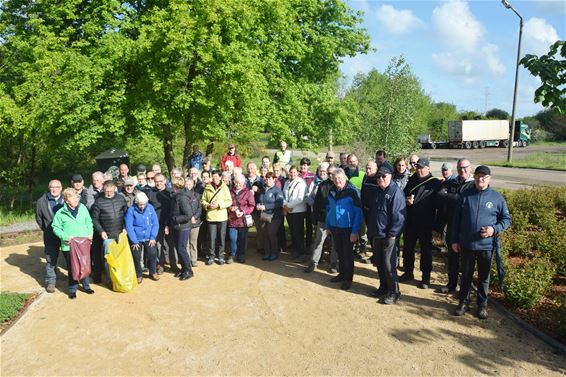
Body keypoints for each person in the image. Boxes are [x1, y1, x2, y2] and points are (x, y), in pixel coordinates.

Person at [452, 165, 511, 319]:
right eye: (478, 176)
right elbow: (455, 220)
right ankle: (463, 303)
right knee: (465, 275)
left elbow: (506, 219)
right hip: (467, 245)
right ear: (475, 177)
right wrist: (454, 240)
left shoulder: (497, 198)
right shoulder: (465, 195)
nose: (480, 179)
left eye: (484, 177)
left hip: (486, 246)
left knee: (484, 277)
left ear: (489, 179)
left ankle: (482, 305)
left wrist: (494, 229)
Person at [366, 163, 406, 304]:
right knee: (380, 263)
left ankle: (394, 291)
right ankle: (383, 287)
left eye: (384, 176)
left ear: (390, 176)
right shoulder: (378, 191)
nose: (381, 179)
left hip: (389, 235)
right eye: (378, 176)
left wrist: (393, 234)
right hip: (376, 234)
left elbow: (399, 217)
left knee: (389, 265)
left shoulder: (396, 192)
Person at [400, 157, 442, 289]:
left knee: (426, 251)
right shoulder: (412, 179)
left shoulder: (435, 183)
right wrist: (407, 200)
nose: (419, 170)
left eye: (422, 167)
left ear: (428, 168)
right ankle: (408, 272)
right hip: (411, 221)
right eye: (417, 167)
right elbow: (403, 195)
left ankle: (425, 278)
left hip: (426, 223)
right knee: (408, 248)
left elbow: (440, 207)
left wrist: (437, 227)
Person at [436, 159, 474, 294]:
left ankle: (465, 290)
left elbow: (468, 202)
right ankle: (451, 284)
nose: (462, 170)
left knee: (466, 261)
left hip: (467, 228)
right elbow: (440, 195)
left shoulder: (473, 185)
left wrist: (451, 197)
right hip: (452, 225)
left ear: (470, 168)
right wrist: (458, 197)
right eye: (459, 168)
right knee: (452, 258)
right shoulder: (452, 182)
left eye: (464, 168)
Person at [51, 188, 94, 299]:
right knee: (73, 268)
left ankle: (86, 286)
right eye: (72, 197)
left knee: (84, 265)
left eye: (76, 197)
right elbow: (55, 227)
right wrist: (65, 237)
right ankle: (72, 290)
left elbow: (89, 222)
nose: (75, 199)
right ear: (66, 200)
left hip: (84, 243)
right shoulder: (60, 213)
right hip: (69, 245)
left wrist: (90, 233)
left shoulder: (83, 208)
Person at [326, 168, 363, 290]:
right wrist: (328, 226)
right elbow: (329, 210)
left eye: (340, 178)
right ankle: (341, 275)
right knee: (339, 253)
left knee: (347, 255)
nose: (337, 181)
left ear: (345, 178)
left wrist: (355, 231)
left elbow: (358, 213)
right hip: (335, 227)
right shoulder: (332, 191)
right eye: (335, 179)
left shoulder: (352, 192)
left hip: (348, 228)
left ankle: (348, 279)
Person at [91, 180, 128, 288]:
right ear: (103, 189)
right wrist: (100, 231)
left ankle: (121, 277)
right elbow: (94, 219)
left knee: (120, 258)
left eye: (111, 192)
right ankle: (109, 280)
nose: (109, 194)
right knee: (108, 260)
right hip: (107, 235)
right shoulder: (99, 202)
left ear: (114, 189)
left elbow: (127, 215)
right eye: (107, 192)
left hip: (121, 234)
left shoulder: (121, 199)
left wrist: (125, 228)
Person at [304, 163, 336, 273]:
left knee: (335, 243)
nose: (330, 175)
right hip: (323, 218)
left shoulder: (341, 185)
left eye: (333, 173)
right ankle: (313, 263)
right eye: (329, 173)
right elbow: (316, 203)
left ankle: (334, 264)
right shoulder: (322, 185)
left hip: (336, 220)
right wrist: (314, 218)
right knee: (318, 241)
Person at [35, 180, 64, 293]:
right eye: (52, 187)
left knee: (70, 258)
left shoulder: (67, 199)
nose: (54, 189)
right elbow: (39, 218)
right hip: (50, 235)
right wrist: (47, 229)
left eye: (57, 187)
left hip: (65, 235)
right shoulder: (41, 201)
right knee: (50, 259)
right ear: (49, 188)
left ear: (61, 188)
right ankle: (51, 282)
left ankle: (73, 280)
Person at [125, 192, 159, 282]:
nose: (142, 206)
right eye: (140, 204)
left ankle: (153, 272)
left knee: (152, 254)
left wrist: (153, 236)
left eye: (144, 204)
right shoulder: (131, 210)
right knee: (136, 256)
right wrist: (134, 240)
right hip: (136, 237)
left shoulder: (150, 208)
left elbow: (155, 223)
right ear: (136, 202)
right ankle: (138, 274)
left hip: (149, 237)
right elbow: (129, 226)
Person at [201, 170, 232, 265]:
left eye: (216, 176)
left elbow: (229, 201)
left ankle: (221, 256)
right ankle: (211, 256)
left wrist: (219, 205)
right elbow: (203, 201)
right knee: (211, 238)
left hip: (222, 217)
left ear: (220, 177)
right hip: (211, 217)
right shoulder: (207, 188)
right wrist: (207, 205)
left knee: (221, 238)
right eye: (213, 176)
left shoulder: (224, 187)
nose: (215, 178)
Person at [169, 177, 195, 280]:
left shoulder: (182, 197)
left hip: (183, 227)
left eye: (172, 185)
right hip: (177, 226)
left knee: (181, 249)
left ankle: (189, 271)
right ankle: (184, 269)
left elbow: (188, 214)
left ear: (175, 186)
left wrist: (176, 219)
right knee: (179, 249)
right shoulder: (176, 196)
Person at [228, 174, 255, 263]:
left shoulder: (248, 192)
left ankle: (241, 255)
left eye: (239, 182)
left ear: (243, 183)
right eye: (236, 182)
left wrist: (243, 211)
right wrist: (230, 208)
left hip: (243, 220)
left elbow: (251, 206)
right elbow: (227, 203)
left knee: (242, 239)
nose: (237, 184)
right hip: (232, 219)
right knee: (232, 238)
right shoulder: (230, 192)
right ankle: (233, 255)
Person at [283, 165, 307, 260]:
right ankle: (295, 250)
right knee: (293, 232)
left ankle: (300, 251)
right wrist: (285, 206)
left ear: (298, 173)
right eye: (291, 172)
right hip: (289, 211)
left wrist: (288, 206)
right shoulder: (287, 182)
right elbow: (284, 195)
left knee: (298, 232)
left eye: (294, 172)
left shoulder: (301, 183)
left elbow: (300, 198)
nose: (292, 174)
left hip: (298, 211)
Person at [258, 172, 285, 261]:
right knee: (265, 234)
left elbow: (279, 204)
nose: (268, 181)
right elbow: (260, 200)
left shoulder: (277, 190)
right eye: (267, 179)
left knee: (271, 234)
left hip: (274, 216)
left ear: (274, 179)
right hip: (264, 215)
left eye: (270, 179)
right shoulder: (262, 190)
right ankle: (267, 252)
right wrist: (259, 205)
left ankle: (274, 253)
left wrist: (266, 207)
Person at [246, 162, 265, 254]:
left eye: (252, 168)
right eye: (249, 168)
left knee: (259, 228)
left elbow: (265, 192)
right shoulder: (244, 179)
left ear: (255, 169)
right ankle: (243, 246)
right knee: (244, 228)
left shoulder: (261, 180)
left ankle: (260, 246)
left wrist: (258, 190)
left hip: (257, 208)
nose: (250, 170)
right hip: (246, 208)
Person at [183, 177, 202, 267]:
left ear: (193, 185)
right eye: (186, 184)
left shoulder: (197, 195)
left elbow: (199, 208)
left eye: (190, 184)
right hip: (185, 222)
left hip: (195, 222)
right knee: (186, 243)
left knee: (193, 242)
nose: (188, 186)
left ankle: (194, 259)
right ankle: (187, 261)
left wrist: (195, 217)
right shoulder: (181, 195)